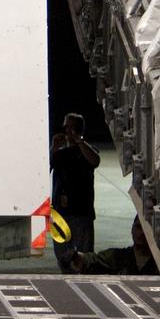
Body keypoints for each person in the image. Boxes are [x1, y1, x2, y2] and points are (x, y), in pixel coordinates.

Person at [50, 112, 101, 273]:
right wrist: (54, 147)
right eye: (66, 127)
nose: (68, 131)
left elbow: (95, 160)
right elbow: (43, 168)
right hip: (59, 213)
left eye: (72, 127)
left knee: (83, 259)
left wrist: (79, 140)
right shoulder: (60, 153)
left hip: (81, 212)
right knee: (62, 257)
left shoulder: (86, 150)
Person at [69, 218, 159, 275]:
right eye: (139, 227)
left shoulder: (159, 264)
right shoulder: (119, 257)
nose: (142, 233)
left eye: (147, 229)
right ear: (132, 229)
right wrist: (76, 257)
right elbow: (94, 260)